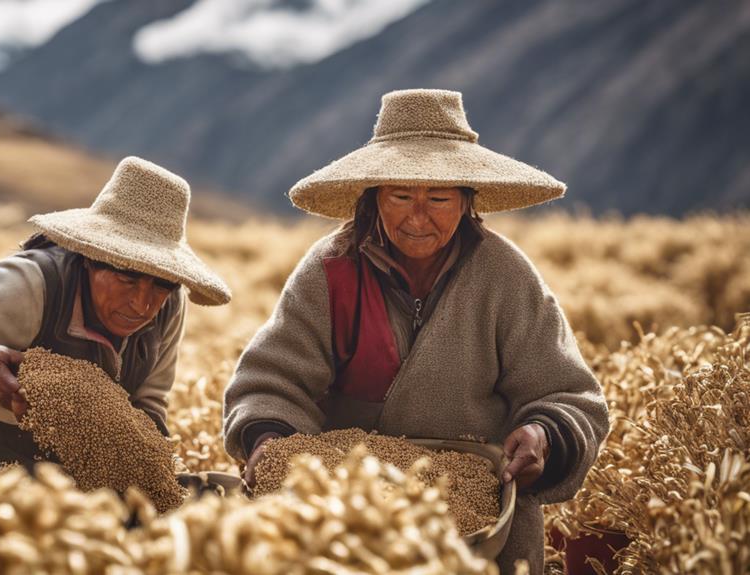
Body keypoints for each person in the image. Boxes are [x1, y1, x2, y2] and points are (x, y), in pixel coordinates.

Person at [222, 89, 609, 573]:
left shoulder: (504, 275)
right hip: (347, 516)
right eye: (401, 195)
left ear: (467, 199)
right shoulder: (331, 271)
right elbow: (271, 382)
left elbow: (570, 394)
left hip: (481, 526)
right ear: (373, 196)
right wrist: (271, 441)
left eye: (440, 198)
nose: (418, 216)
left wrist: (543, 434)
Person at [0, 156, 231, 482]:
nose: (143, 306)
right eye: (127, 279)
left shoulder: (169, 305)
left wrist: (147, 463)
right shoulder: (31, 285)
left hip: (101, 492)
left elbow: (150, 400)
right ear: (92, 258)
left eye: (161, 285)